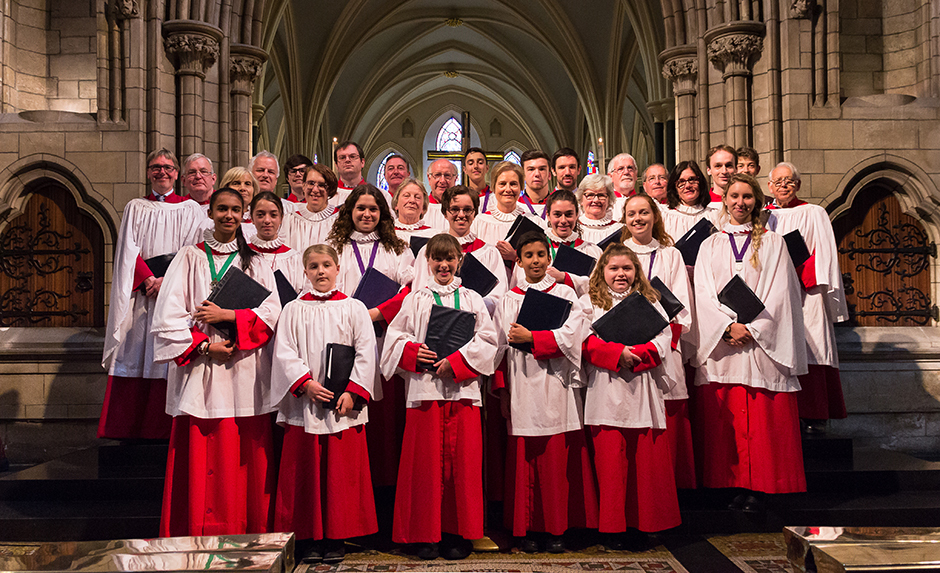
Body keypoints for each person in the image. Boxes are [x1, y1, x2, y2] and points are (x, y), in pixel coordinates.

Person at [152, 188, 281, 536]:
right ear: (209, 212)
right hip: (200, 366)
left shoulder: (254, 260)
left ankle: (246, 528)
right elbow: (168, 316)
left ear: (244, 215)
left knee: (243, 456)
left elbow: (271, 312)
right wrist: (207, 346)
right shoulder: (189, 257)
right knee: (201, 451)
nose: (228, 215)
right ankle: (197, 527)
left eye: (235, 209)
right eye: (222, 208)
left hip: (243, 367)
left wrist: (228, 317)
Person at [692, 173, 808, 512]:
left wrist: (753, 329)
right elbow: (702, 292)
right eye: (734, 196)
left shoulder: (773, 243)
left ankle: (761, 485)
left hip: (761, 345)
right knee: (725, 417)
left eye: (747, 197)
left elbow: (782, 292)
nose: (740, 202)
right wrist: (727, 327)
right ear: (724, 200)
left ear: (756, 202)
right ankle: (730, 484)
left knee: (761, 419)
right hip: (724, 343)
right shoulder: (709, 245)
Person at [381, 234, 498, 561]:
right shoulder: (416, 298)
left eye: (450, 259)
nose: (444, 265)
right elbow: (394, 340)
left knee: (462, 465)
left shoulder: (472, 298)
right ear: (427, 261)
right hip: (425, 391)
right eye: (438, 259)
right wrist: (414, 353)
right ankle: (424, 534)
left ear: (459, 261)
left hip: (462, 392)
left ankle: (458, 534)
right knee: (425, 466)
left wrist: (457, 363)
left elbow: (488, 341)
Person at [271, 244, 378, 565]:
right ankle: (308, 536)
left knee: (341, 476)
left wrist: (353, 391)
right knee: (304, 472)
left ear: (337, 268)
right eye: (314, 266)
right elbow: (284, 351)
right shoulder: (292, 309)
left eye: (326, 265)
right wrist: (304, 383)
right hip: (306, 403)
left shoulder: (354, 307)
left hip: (343, 403)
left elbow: (366, 351)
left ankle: (336, 536)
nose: (320, 271)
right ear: (305, 272)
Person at [492, 232, 597, 553]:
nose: (535, 261)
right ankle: (526, 529)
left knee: (556, 460)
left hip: (557, 385)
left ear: (549, 258)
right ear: (519, 261)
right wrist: (502, 391)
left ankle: (556, 528)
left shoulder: (566, 293)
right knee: (526, 459)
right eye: (529, 256)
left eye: (541, 254)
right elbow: (496, 346)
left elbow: (573, 335)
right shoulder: (509, 298)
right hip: (522, 385)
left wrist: (532, 337)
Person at [99, 148, 205, 440]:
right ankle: (128, 428)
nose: (162, 172)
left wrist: (167, 282)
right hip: (141, 297)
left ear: (177, 175)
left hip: (172, 297)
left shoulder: (191, 209)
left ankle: (165, 429)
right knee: (135, 350)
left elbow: (192, 252)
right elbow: (126, 250)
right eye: (156, 167)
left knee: (167, 353)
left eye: (168, 167)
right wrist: (147, 279)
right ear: (148, 172)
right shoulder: (136, 206)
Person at [582, 244, 680, 549]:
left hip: (642, 387)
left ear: (637, 272)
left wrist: (637, 354)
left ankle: (644, 524)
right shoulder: (589, 303)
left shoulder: (650, 301)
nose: (620, 274)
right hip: (605, 388)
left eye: (627, 268)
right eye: (613, 268)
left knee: (644, 462)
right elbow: (582, 341)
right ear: (602, 272)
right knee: (611, 462)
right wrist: (616, 353)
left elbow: (665, 339)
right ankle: (613, 528)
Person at [327, 184, 415, 489]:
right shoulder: (334, 247)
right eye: (361, 208)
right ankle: (352, 487)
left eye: (373, 209)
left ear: (383, 213)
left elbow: (411, 290)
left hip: (382, 340)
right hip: (344, 340)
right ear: (349, 211)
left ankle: (387, 487)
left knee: (385, 421)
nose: (366, 214)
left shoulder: (398, 248)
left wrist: (377, 314)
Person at [764, 162, 848, 433]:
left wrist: (803, 277)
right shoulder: (764, 215)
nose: (783, 186)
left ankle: (814, 416)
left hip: (805, 291)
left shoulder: (814, 212)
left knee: (811, 345)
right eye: (778, 182)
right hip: (773, 293)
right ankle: (784, 415)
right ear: (769, 187)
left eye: (789, 181)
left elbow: (824, 252)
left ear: (797, 184)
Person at [620, 194, 696, 489]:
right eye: (631, 214)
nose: (637, 219)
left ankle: (666, 488)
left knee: (666, 418)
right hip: (628, 349)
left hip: (661, 349)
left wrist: (657, 335)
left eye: (643, 213)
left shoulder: (670, 255)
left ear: (655, 216)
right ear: (624, 219)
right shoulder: (616, 253)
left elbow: (681, 306)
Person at [412, 185, 508, 315]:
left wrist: (469, 306)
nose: (461, 215)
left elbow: (498, 297)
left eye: (467, 210)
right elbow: (419, 292)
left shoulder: (489, 253)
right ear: (445, 213)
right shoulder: (428, 251)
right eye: (454, 209)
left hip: (476, 321)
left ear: (475, 213)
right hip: (436, 322)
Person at [530, 189, 602, 297]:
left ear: (577, 214)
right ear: (548, 216)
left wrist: (565, 278)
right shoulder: (532, 250)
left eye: (568, 214)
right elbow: (522, 285)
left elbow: (600, 289)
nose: (563, 220)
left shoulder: (591, 251)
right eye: (557, 215)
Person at [473, 161, 545, 267]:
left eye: (513, 184)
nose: (508, 189)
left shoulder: (534, 221)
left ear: (521, 187)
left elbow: (544, 262)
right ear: (493, 187)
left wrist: (515, 256)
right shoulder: (480, 221)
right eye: (502, 184)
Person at [248, 191, 306, 294]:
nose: (267, 220)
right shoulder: (243, 254)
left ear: (281, 218)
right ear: (252, 218)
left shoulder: (294, 258)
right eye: (260, 215)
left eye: (273, 215)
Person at [281, 164, 340, 253]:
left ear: (330, 189)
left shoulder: (339, 219)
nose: (315, 190)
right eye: (311, 183)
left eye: (321, 185)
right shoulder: (290, 220)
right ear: (304, 186)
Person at [661, 160, 718, 246]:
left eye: (692, 180)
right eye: (681, 182)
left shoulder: (715, 215)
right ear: (674, 187)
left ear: (700, 183)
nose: (687, 186)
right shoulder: (665, 216)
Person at [577, 173, 624, 245]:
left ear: (609, 200)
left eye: (601, 195)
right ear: (581, 200)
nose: (596, 200)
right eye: (590, 195)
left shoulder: (619, 230)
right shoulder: (573, 229)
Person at [219, 167, 260, 237]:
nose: (243, 188)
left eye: (247, 184)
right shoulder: (216, 220)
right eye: (236, 183)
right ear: (226, 187)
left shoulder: (261, 219)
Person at [392, 177, 435, 243]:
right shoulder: (385, 233)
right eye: (406, 196)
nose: (412, 200)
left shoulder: (432, 235)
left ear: (423, 208)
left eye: (417, 197)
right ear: (396, 204)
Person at [425, 158, 458, 231]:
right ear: (429, 179)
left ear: (455, 179)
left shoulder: (461, 209)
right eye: (437, 175)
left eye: (447, 175)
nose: (442, 181)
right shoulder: (421, 207)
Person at [519, 150, 552, 218]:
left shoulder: (558, 205)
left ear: (549, 175)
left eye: (542, 169)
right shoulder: (516, 206)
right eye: (531, 169)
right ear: (523, 175)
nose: (537, 174)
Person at [334, 141, 368, 206]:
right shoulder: (327, 195)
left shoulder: (378, 194)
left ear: (362, 162)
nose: (347, 160)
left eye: (352, 156)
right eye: (342, 157)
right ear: (336, 165)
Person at [607, 153, 639, 218]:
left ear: (636, 174)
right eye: (620, 169)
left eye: (630, 168)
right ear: (610, 176)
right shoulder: (606, 204)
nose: (626, 172)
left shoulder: (645, 202)